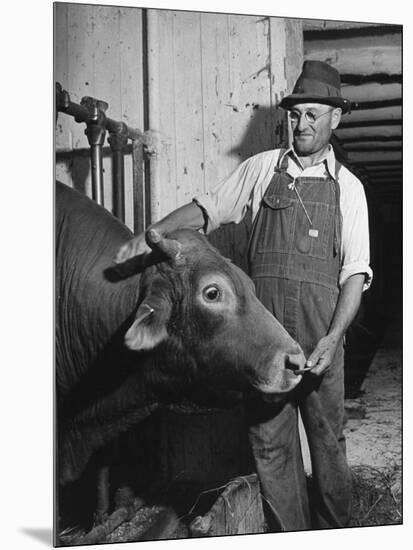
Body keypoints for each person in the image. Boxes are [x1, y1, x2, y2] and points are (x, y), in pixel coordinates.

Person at [115, 60, 372, 531]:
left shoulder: (349, 191)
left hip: (320, 340)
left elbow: (354, 274)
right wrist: (151, 233)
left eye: (314, 114)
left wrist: (334, 338)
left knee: (328, 444)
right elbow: (205, 210)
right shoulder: (261, 169)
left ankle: (337, 535)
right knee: (271, 447)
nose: (303, 123)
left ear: (335, 119)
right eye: (296, 114)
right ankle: (290, 535)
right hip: (263, 339)